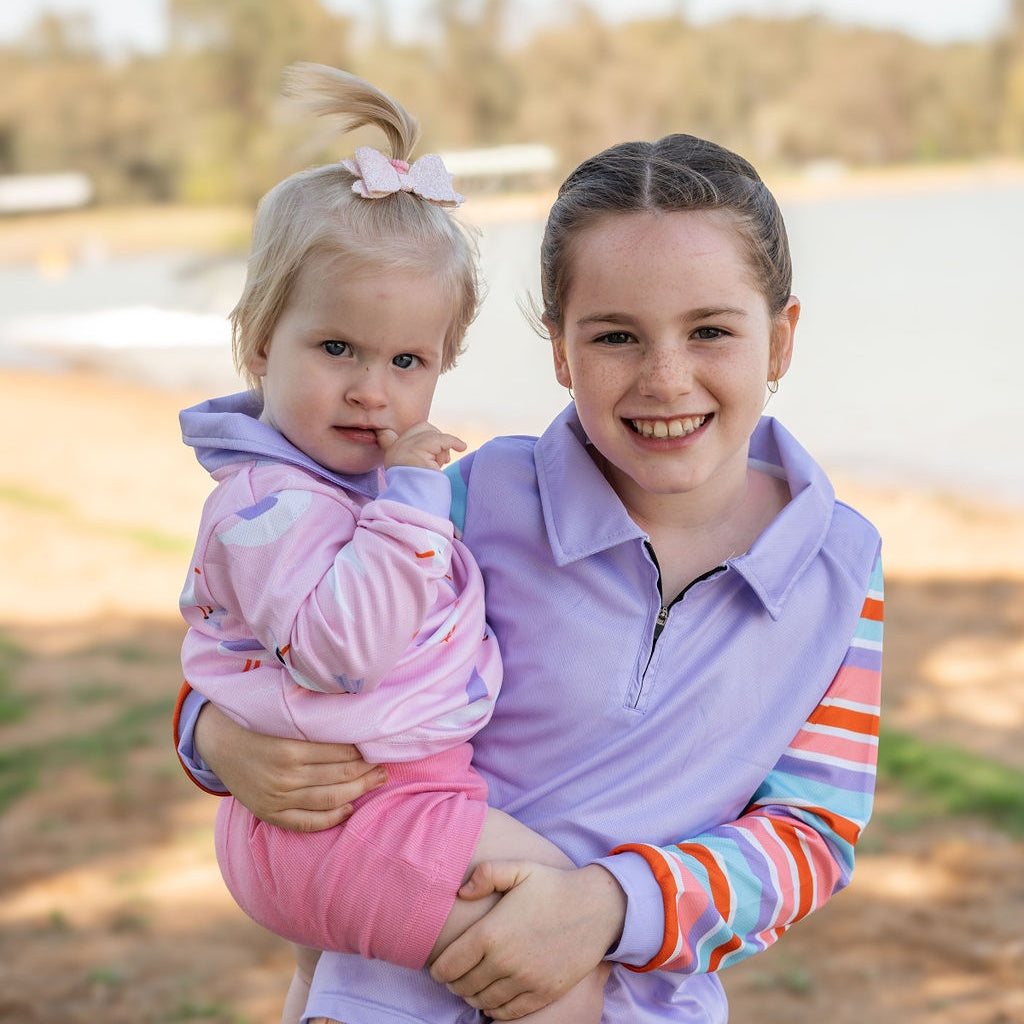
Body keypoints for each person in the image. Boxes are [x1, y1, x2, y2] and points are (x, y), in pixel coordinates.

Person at [175, 126, 884, 1024]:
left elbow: (811, 835)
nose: (666, 379)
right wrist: (211, 738)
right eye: (616, 336)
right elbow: (272, 625)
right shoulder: (461, 501)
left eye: (711, 331)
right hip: (389, 997)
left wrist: (608, 906)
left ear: (779, 341)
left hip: (630, 1004)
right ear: (559, 349)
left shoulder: (839, 571)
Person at [176, 63, 608, 1024]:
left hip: (357, 812)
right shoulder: (269, 504)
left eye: (407, 361)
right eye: (337, 349)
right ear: (260, 342)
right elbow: (341, 651)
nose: (373, 391)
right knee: (561, 944)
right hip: (358, 817)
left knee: (330, 991)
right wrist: (414, 502)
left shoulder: (331, 485)